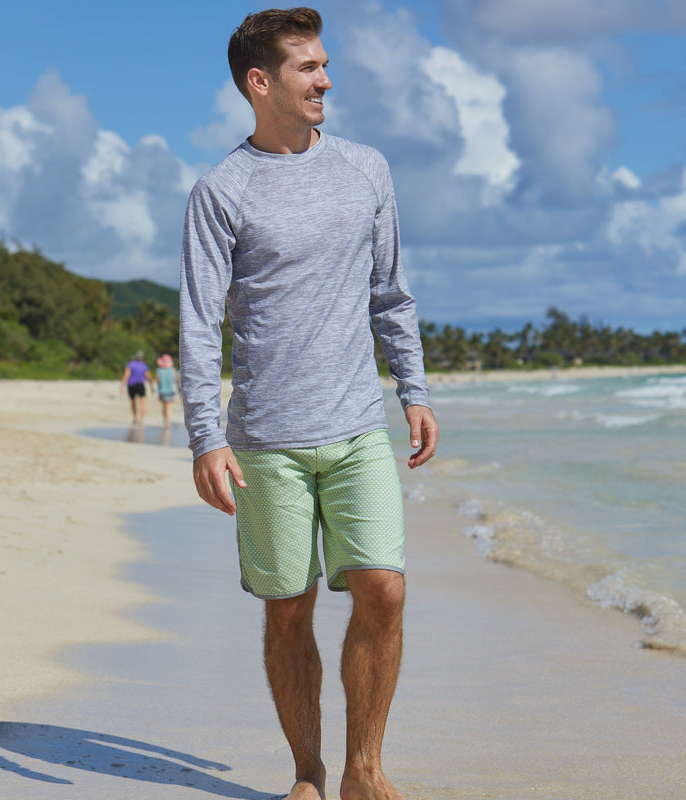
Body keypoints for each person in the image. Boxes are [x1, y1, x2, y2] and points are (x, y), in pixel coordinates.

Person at [179, 8, 438, 800]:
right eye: (308, 68)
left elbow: (390, 294)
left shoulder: (367, 169)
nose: (326, 79)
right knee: (287, 610)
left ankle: (365, 770)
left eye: (325, 65)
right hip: (265, 441)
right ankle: (308, 775)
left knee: (383, 589)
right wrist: (202, 437)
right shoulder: (222, 191)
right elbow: (197, 322)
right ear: (261, 83)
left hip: (357, 423)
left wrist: (414, 389)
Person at [119, 350, 153, 425]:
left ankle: (135, 418)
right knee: (143, 402)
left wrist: (122, 386)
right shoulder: (144, 365)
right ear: (142, 358)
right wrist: (151, 385)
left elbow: (126, 375)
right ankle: (141, 420)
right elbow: (148, 376)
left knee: (133, 402)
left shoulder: (130, 364)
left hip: (131, 385)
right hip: (140, 384)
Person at [155, 353, 179, 428]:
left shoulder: (158, 370)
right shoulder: (173, 370)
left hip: (162, 391)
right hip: (170, 391)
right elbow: (176, 380)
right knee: (169, 407)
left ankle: (165, 420)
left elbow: (157, 380)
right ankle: (168, 422)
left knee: (164, 407)